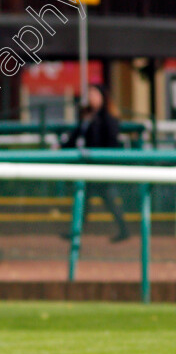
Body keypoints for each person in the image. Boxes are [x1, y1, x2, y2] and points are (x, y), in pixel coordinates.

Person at [61, 83, 130, 242]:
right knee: (85, 199)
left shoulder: (108, 118)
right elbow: (75, 138)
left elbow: (111, 143)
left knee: (105, 200)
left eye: (94, 94)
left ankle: (123, 230)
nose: (91, 98)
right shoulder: (87, 116)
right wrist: (62, 146)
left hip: (101, 167)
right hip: (89, 167)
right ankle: (76, 231)